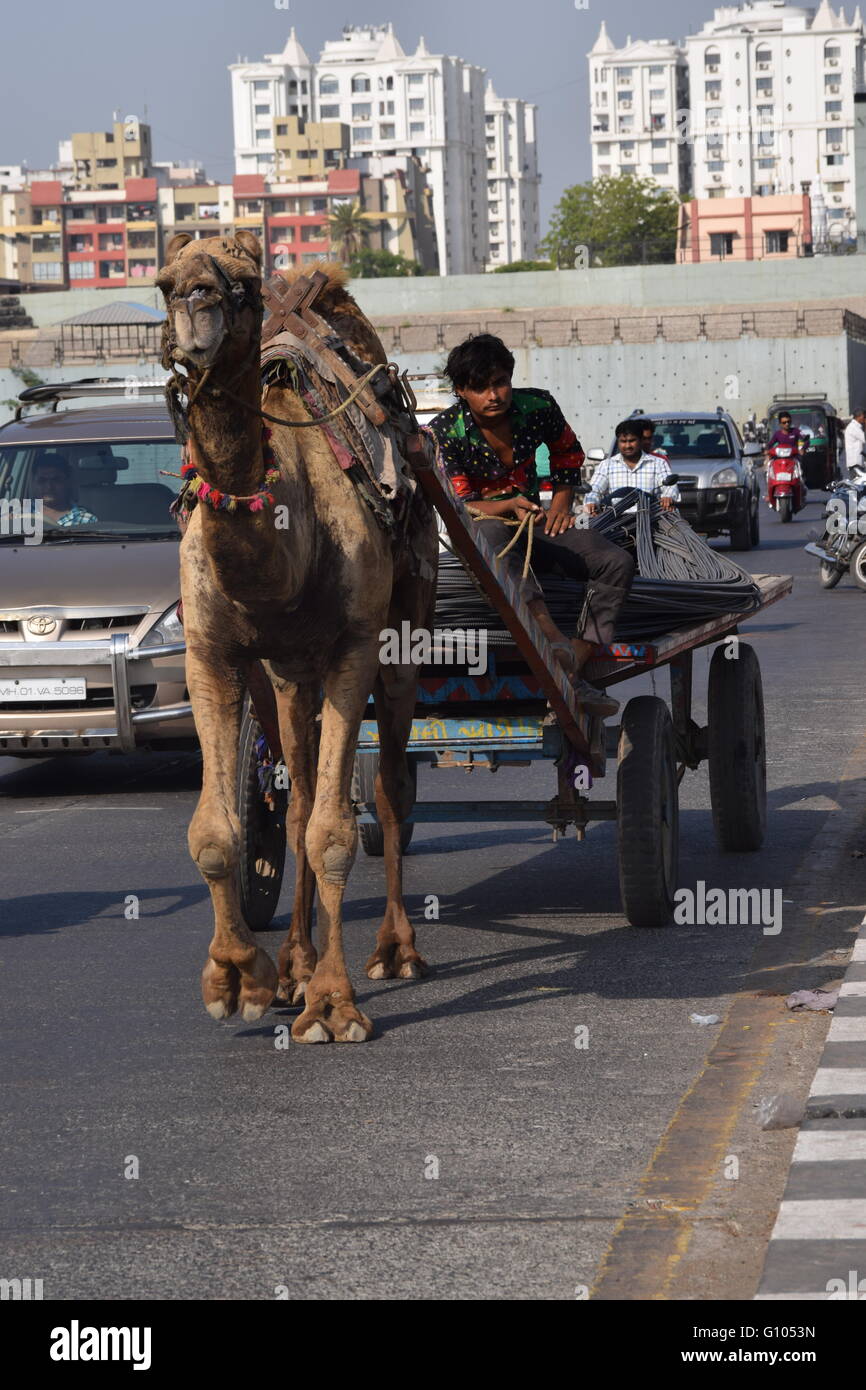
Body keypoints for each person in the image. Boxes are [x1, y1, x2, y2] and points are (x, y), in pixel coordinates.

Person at [430, 333, 634, 716]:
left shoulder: (538, 405)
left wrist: (560, 504)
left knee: (616, 562)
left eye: (500, 382)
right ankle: (553, 642)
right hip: (484, 529)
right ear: (460, 391)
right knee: (490, 538)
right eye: (480, 388)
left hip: (534, 524)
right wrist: (507, 505)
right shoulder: (444, 431)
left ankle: (577, 654)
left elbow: (568, 454)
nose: (494, 396)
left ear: (510, 378)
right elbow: (459, 506)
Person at [584, 420, 680, 515]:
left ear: (640, 440)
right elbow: (595, 489)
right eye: (623, 441)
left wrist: (667, 497)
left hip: (651, 519)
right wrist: (591, 502)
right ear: (618, 442)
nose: (627, 446)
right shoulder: (606, 465)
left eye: (632, 441)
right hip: (614, 522)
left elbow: (670, 487)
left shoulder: (658, 463)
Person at [31, 457, 97, 526]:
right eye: (42, 480)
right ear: (33, 483)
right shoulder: (22, 514)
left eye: (56, 480)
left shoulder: (85, 520)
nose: (49, 487)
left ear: (67, 483)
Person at [843, 407, 866, 478]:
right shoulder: (854, 427)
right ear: (860, 416)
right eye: (864, 417)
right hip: (855, 463)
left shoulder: (855, 427)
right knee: (858, 486)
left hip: (857, 463)